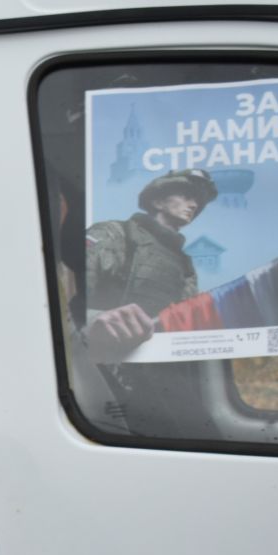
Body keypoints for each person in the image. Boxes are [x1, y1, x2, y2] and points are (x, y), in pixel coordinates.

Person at [79, 168, 219, 434]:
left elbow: (184, 326)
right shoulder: (113, 235)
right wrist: (95, 322)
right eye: (187, 195)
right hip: (103, 371)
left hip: (159, 373)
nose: (194, 205)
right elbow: (66, 304)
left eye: (198, 202)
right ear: (157, 201)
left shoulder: (183, 263)